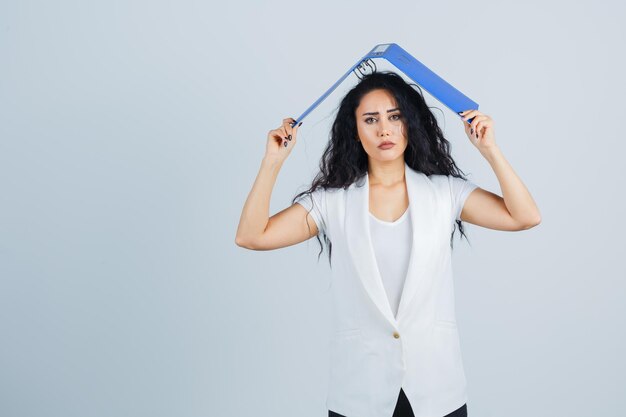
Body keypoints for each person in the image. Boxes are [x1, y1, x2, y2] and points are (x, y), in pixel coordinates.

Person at [235, 71, 541, 417]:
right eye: (370, 119)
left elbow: (525, 217)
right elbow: (251, 235)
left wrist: (491, 150)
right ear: (355, 131)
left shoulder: (445, 193)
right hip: (359, 391)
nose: (384, 130)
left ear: (410, 123)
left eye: (395, 117)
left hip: (437, 389)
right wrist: (271, 164)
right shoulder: (332, 203)